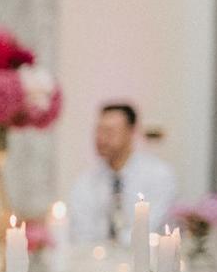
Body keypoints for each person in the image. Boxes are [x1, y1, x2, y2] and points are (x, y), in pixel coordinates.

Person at [68, 102, 176, 243]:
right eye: (99, 131)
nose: (101, 138)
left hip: (145, 259)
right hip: (96, 260)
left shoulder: (159, 175)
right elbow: (81, 230)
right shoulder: (87, 181)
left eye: (110, 132)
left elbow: (152, 226)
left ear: (131, 132)